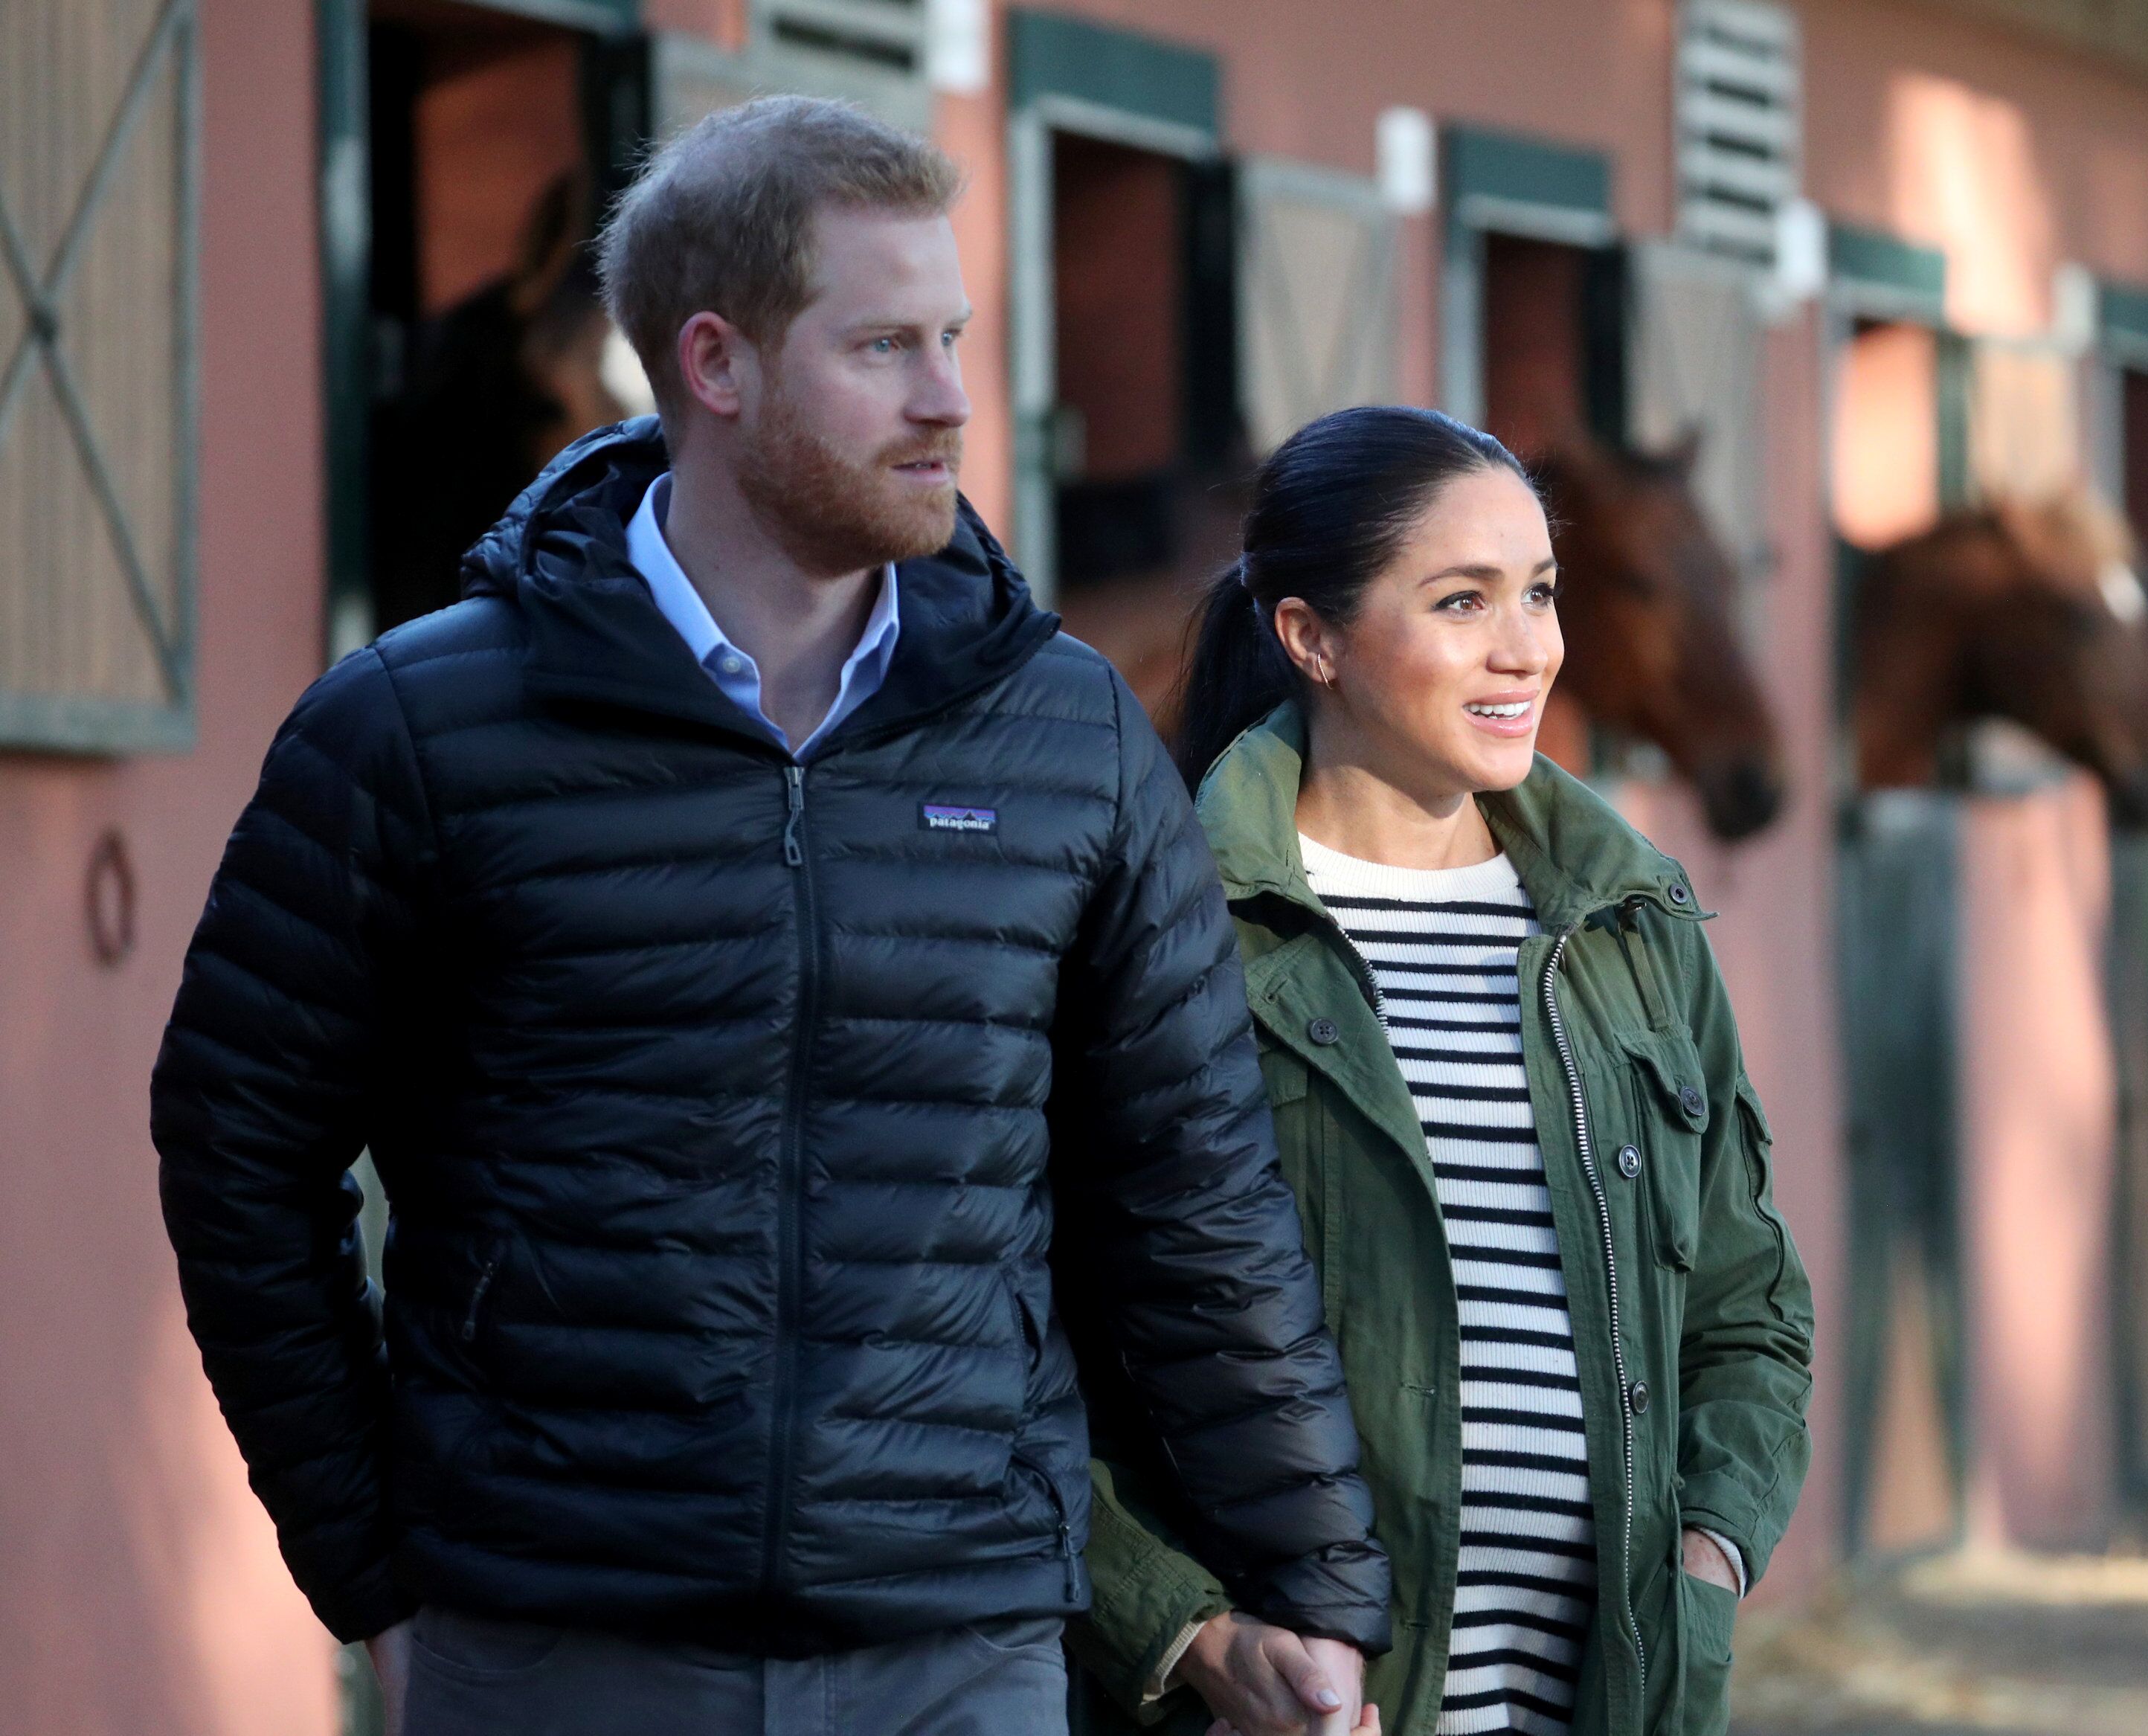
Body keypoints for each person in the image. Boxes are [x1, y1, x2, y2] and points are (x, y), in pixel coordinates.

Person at [152, 97, 1388, 1736]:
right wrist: (374, 1571)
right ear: (715, 365)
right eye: (883, 346)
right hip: (557, 1647)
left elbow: (1192, 1191)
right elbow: (238, 1149)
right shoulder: (413, 731)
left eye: (951, 335)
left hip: (962, 1652)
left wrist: (1308, 1586)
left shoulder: (1068, 737)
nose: (950, 397)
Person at [1065, 408, 1813, 1736]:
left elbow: (1749, 1311)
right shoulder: (1173, 932)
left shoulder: (1631, 929)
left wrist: (1707, 1554)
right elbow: (1026, 1343)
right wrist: (1188, 1632)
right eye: (1462, 600)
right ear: (1313, 636)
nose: (1525, 647)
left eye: (1539, 592)